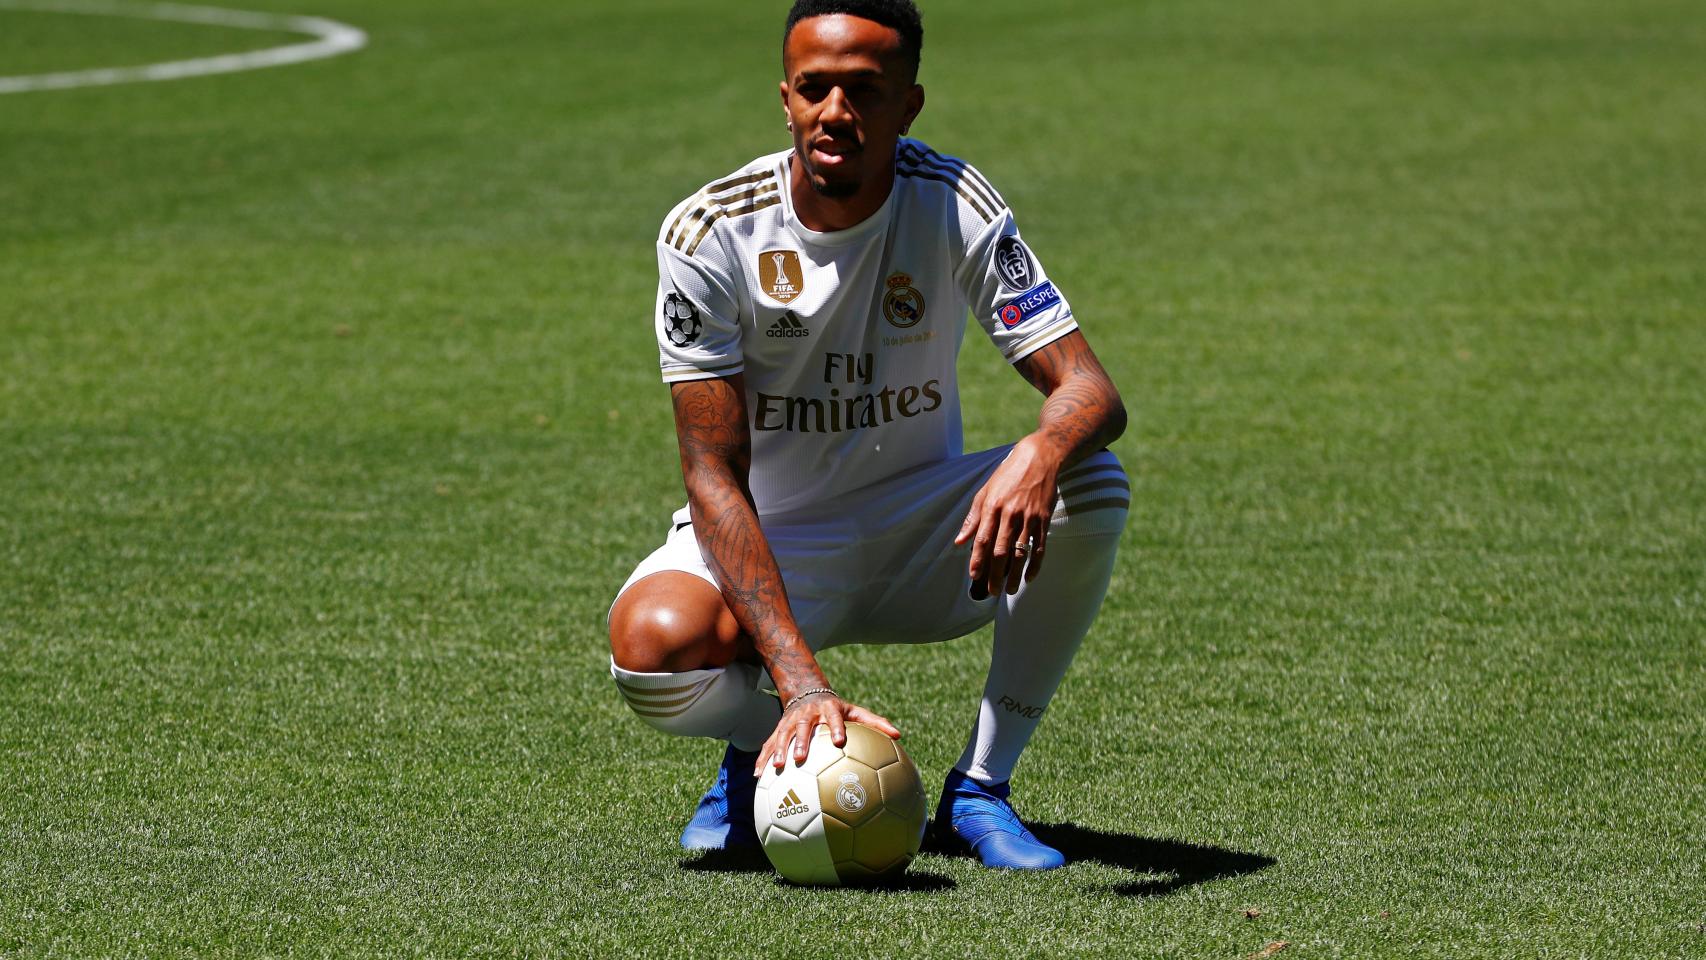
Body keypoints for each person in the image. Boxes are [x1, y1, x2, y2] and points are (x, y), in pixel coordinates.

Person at [607, 0, 1128, 871]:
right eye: (814, 88)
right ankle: (760, 750)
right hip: (778, 543)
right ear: (785, 98)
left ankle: (981, 789)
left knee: (1092, 479)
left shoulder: (952, 201)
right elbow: (711, 474)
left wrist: (1039, 452)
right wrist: (799, 686)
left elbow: (1090, 390)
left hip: (929, 538)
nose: (836, 113)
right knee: (651, 648)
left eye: (864, 90)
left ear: (908, 105)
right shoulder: (711, 231)